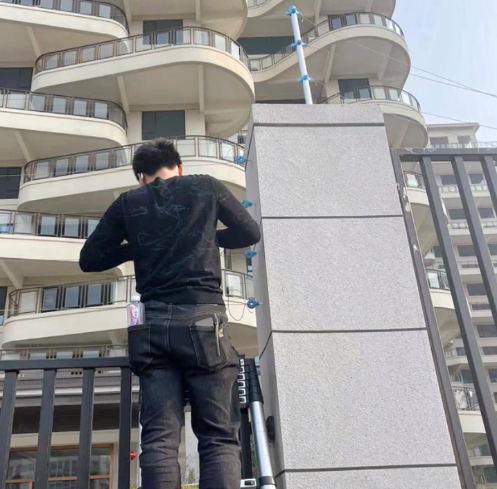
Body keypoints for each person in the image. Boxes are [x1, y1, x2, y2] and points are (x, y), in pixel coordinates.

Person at [79, 138, 261, 489]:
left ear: (140, 177)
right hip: (204, 323)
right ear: (179, 167)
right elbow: (249, 232)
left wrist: (135, 248)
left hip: (152, 327)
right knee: (219, 438)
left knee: (160, 439)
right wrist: (207, 238)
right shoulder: (205, 186)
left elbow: (90, 259)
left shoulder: (128, 202)